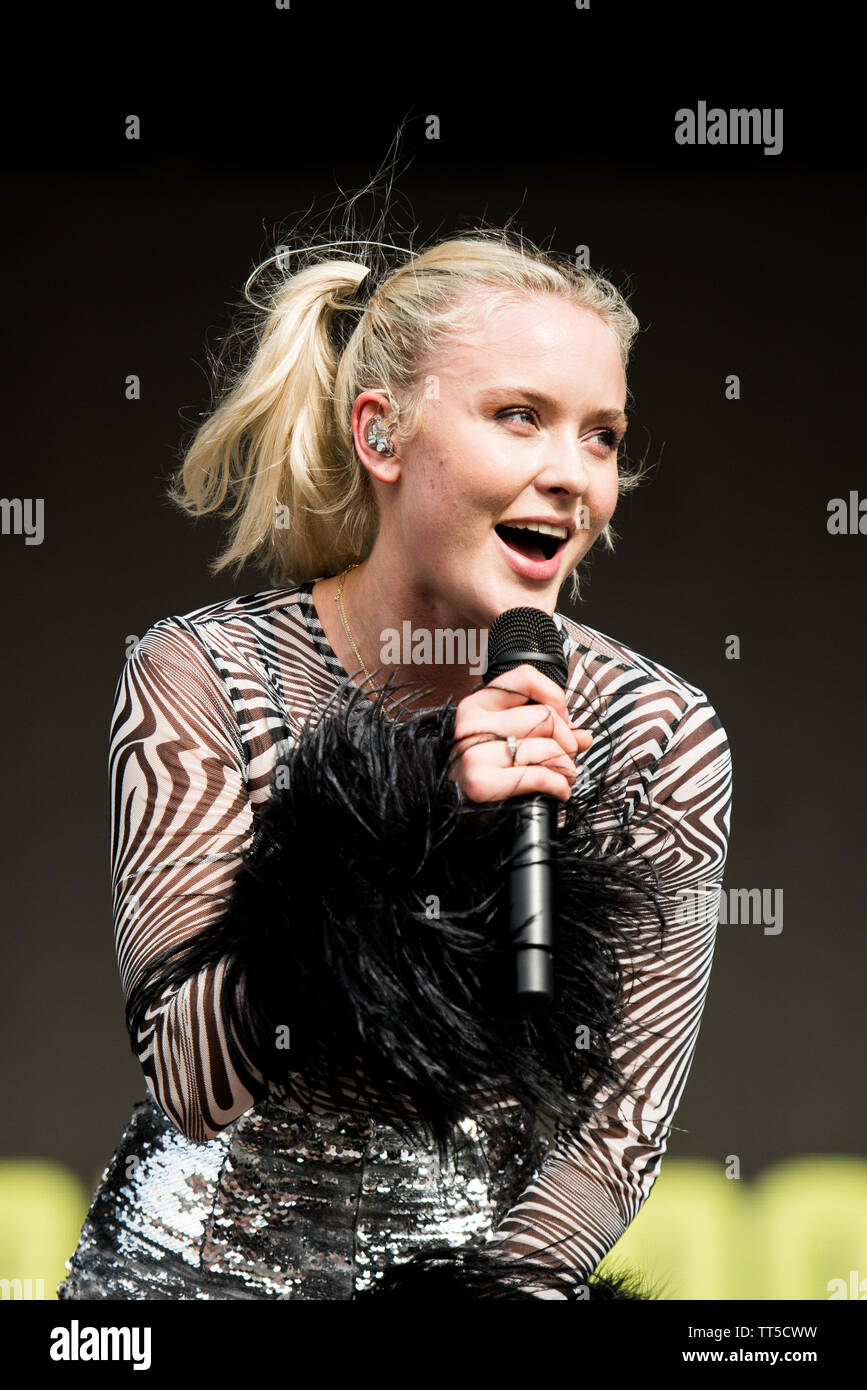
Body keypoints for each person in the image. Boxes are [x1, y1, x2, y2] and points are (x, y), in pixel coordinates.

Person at [57, 226, 732, 1301]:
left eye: (602, 436)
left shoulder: (656, 731)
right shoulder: (204, 670)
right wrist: (417, 806)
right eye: (521, 417)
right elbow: (189, 1079)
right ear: (382, 434)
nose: (571, 476)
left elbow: (619, 1135)